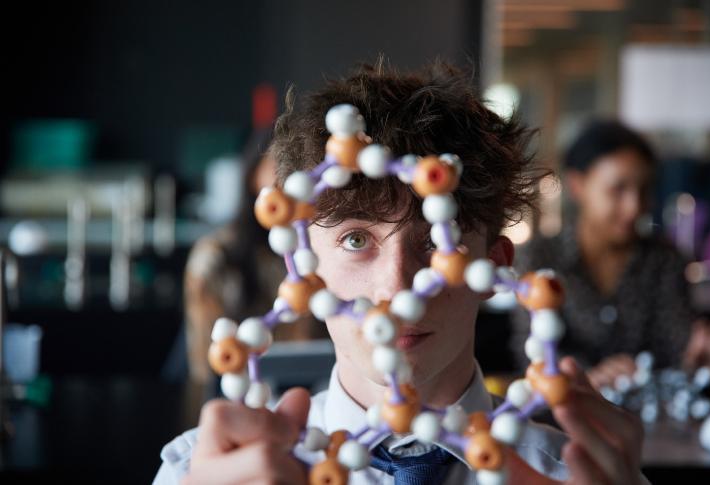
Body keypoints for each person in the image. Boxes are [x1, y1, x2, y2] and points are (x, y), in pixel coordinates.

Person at [154, 61, 646, 484]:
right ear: (301, 266)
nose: (397, 289)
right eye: (355, 240)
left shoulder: (574, 475)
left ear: (495, 263)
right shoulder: (202, 471)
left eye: (437, 241)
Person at [511, 120, 710, 389]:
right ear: (578, 184)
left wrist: (698, 361)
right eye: (618, 189)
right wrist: (586, 379)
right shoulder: (539, 256)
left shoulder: (664, 260)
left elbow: (677, 350)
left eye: (644, 190)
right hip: (563, 415)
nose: (634, 207)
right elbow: (532, 351)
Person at [184, 130, 327, 385]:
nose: (291, 180)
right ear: (252, 175)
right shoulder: (215, 258)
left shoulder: (323, 251)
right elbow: (206, 368)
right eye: (279, 165)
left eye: (301, 167)